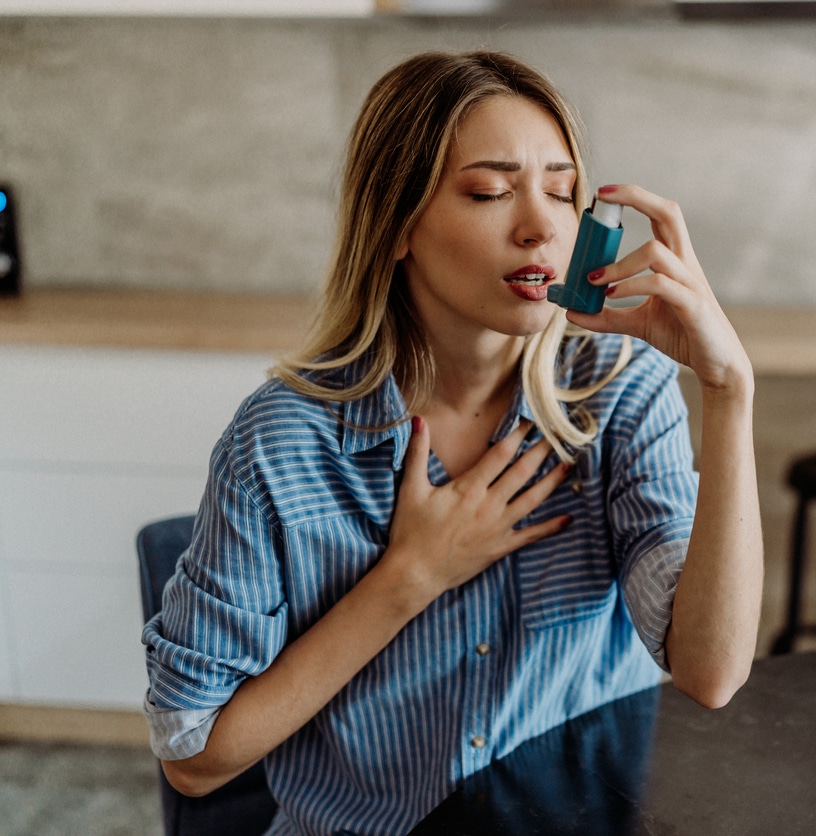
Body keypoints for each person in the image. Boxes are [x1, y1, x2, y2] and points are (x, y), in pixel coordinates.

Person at [141, 50, 763, 835]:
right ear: (398, 224)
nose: (540, 225)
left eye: (563, 192)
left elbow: (710, 672)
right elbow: (193, 757)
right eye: (490, 192)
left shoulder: (620, 390)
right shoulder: (280, 440)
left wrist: (729, 391)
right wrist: (410, 576)